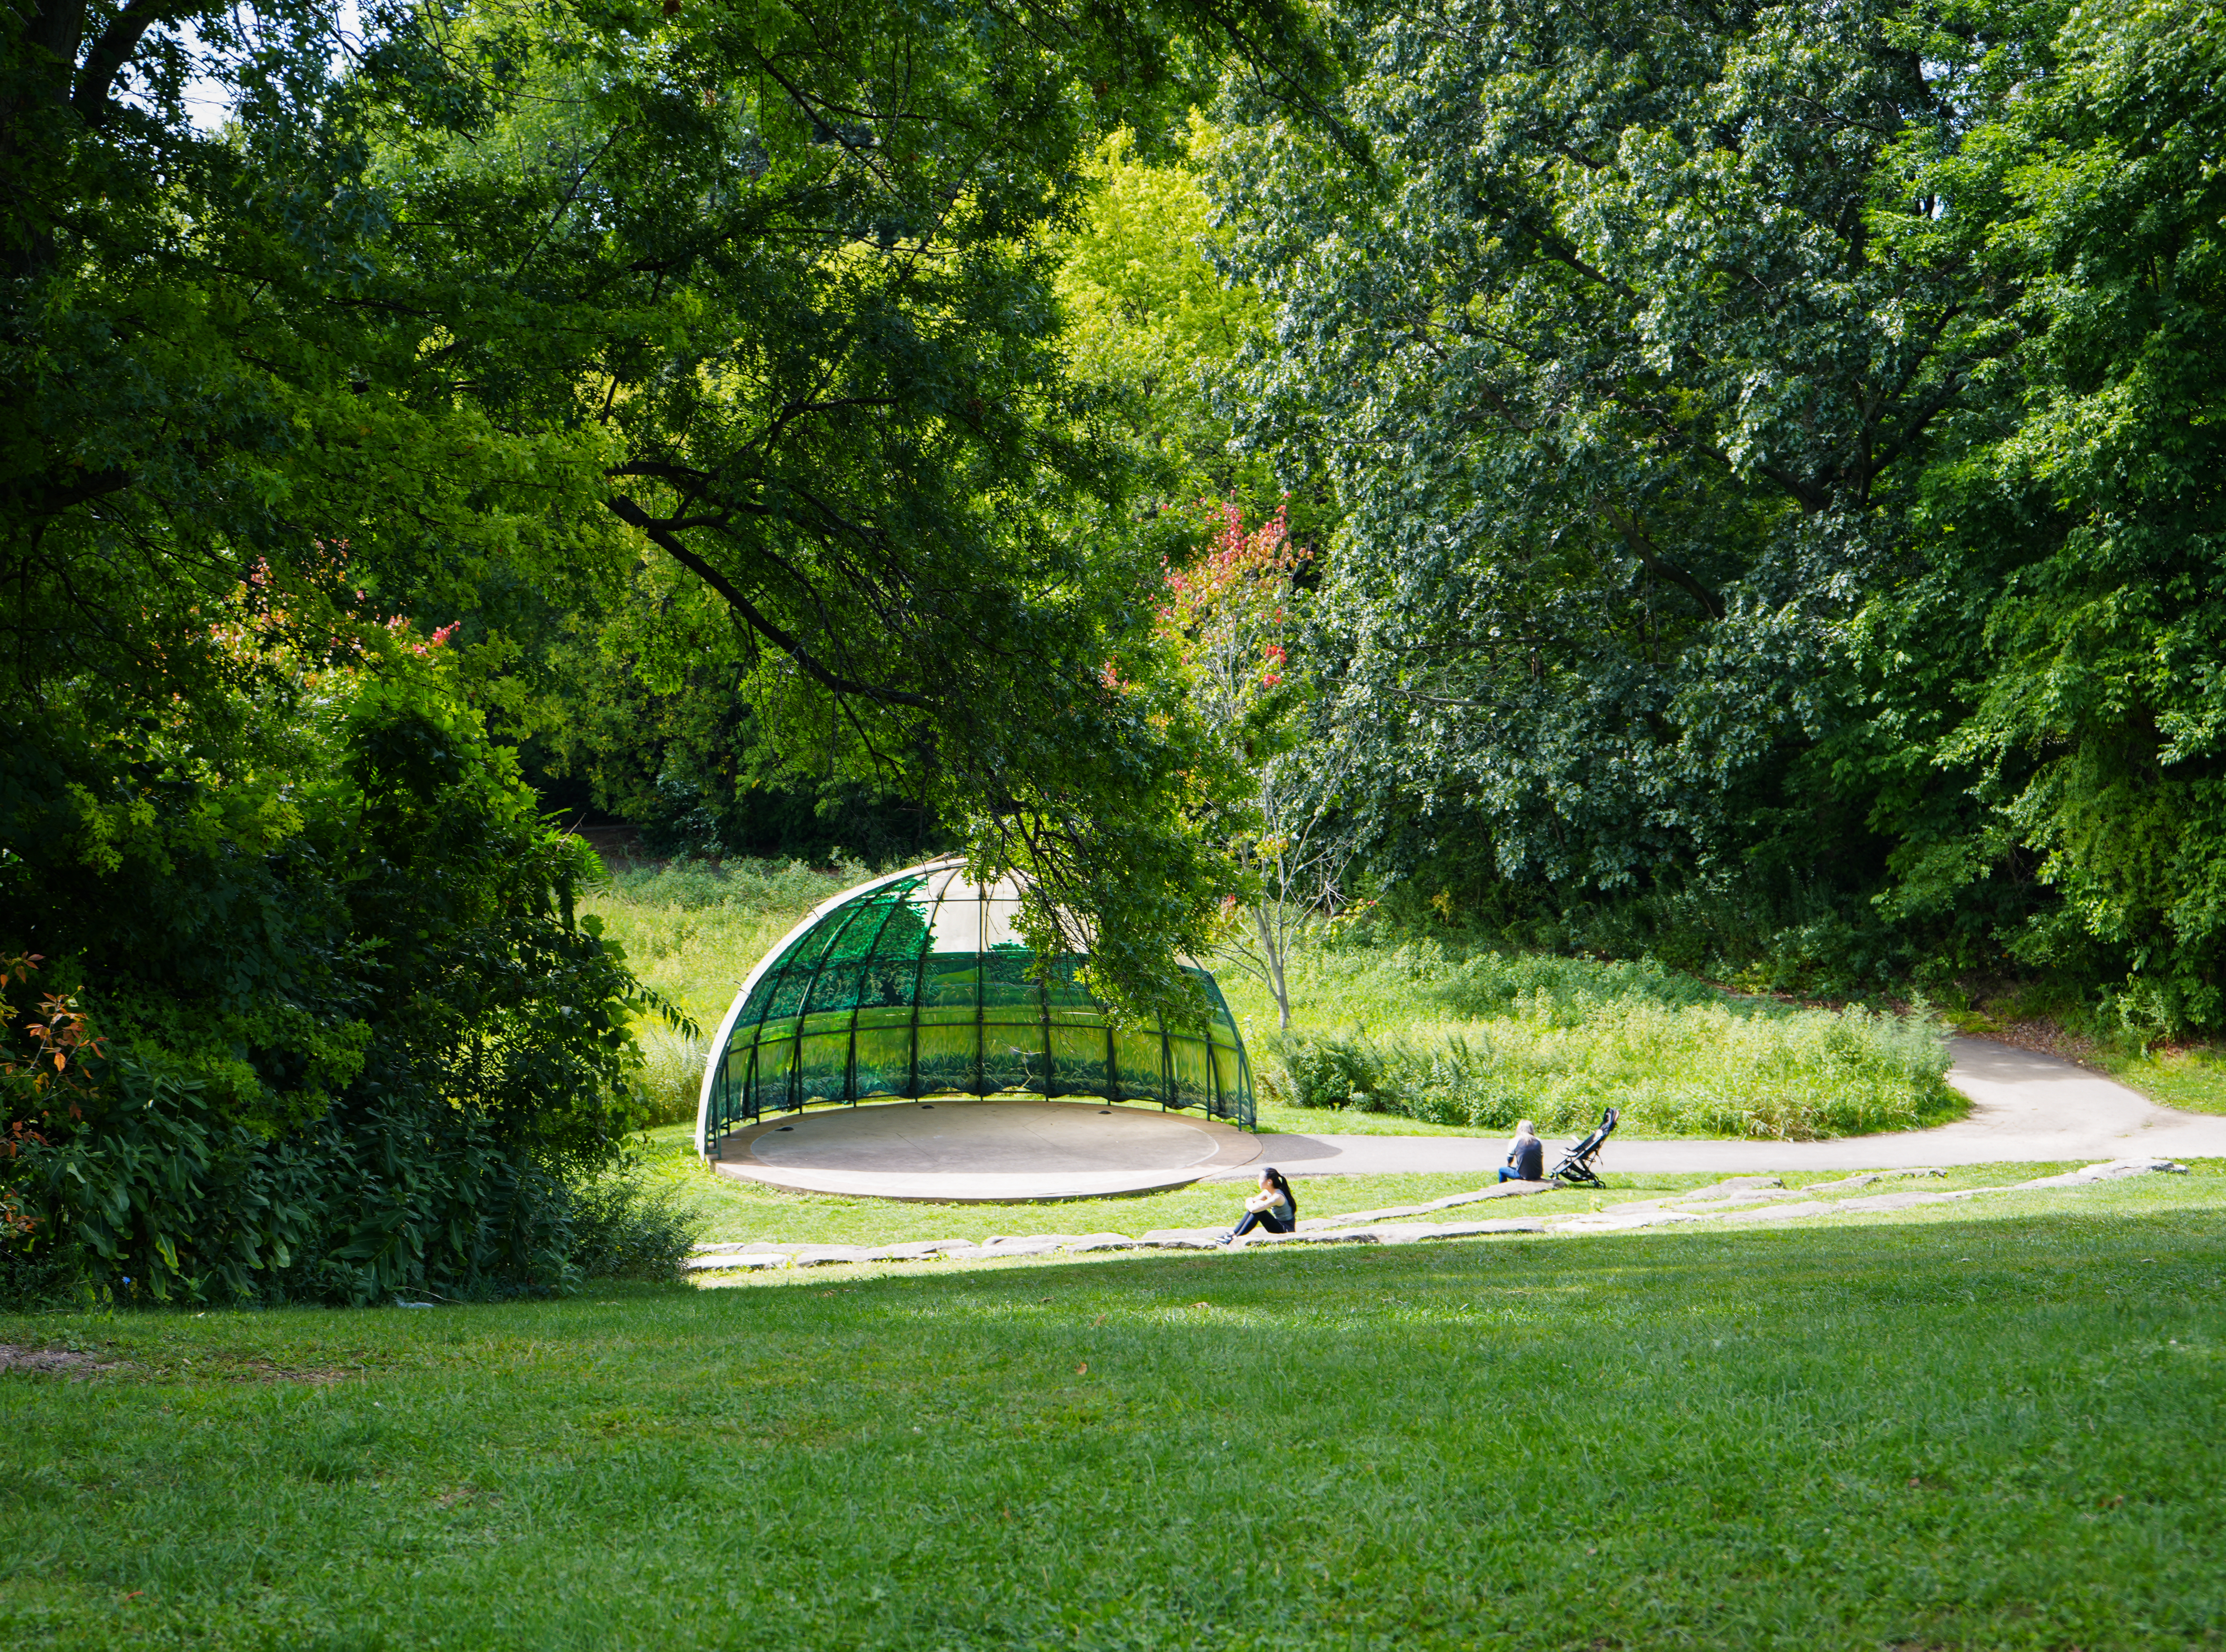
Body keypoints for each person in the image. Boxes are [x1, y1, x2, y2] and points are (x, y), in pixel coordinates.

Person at [1225, 1167, 1298, 1241]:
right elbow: (1252, 1202)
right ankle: (1234, 1234)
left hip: (1286, 1230)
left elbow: (1253, 1208)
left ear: (1269, 1182)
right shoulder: (1268, 1192)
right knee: (1258, 1210)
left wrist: (1252, 1203)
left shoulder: (1278, 1197)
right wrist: (1252, 1203)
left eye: (1260, 1179)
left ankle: (1235, 1237)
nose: (1258, 1181)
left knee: (1260, 1212)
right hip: (1279, 1225)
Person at [1499, 1119, 1544, 1183]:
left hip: (1523, 1175)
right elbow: (1540, 1159)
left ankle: (1502, 1188)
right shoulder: (1539, 1141)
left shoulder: (1515, 1141)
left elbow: (1510, 1160)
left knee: (1502, 1170)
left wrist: (1508, 1167)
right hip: (1537, 1175)